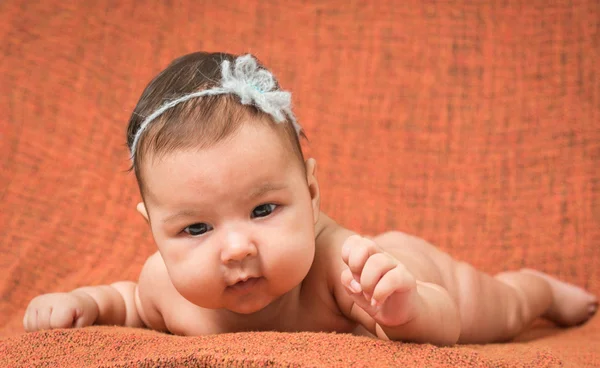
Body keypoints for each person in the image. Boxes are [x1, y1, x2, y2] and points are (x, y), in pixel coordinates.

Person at [23, 52, 598, 346]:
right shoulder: (163, 286)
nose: (237, 247)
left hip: (410, 274)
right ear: (152, 228)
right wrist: (87, 302)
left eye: (264, 209)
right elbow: (130, 304)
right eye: (195, 229)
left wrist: (403, 307)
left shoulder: (341, 265)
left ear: (313, 193)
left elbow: (442, 323)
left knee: (495, 309)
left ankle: (536, 288)